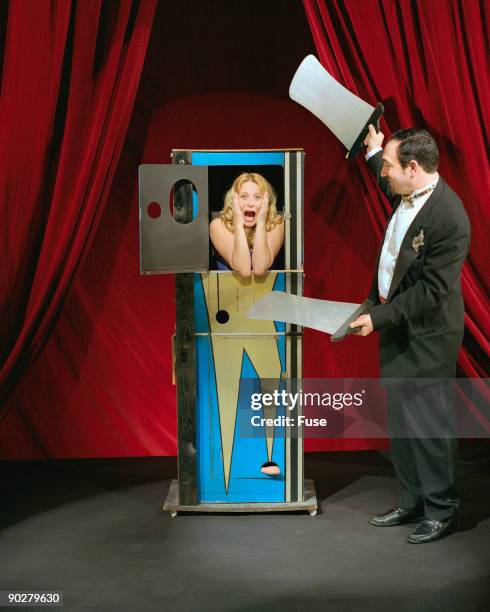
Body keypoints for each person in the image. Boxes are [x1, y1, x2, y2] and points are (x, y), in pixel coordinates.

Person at [349, 125, 471, 543]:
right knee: (401, 421)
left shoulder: (450, 217)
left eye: (388, 167)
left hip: (427, 335)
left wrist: (379, 318)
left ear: (413, 168)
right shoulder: (408, 192)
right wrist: (375, 151)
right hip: (400, 327)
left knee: (428, 426)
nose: (383, 174)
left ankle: (441, 509)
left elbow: (432, 292)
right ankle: (412, 499)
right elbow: (389, 183)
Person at [209, 172, 284, 277]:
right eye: (244, 197)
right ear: (234, 201)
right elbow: (244, 270)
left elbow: (259, 269)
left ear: (266, 202)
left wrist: (261, 223)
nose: (250, 203)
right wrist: (238, 225)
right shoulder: (218, 225)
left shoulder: (276, 224)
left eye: (257, 197)